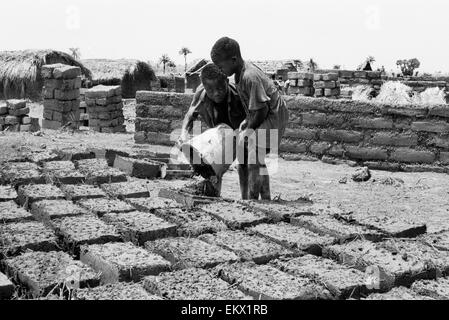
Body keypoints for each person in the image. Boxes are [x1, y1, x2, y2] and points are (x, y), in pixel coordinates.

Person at [211, 36, 289, 200]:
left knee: (253, 155)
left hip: (273, 115)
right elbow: (253, 107)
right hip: (266, 112)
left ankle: (253, 201)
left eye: (221, 66)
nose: (220, 70)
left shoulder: (249, 76)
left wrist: (248, 130)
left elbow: (262, 110)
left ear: (233, 59)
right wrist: (247, 122)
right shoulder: (239, 75)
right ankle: (260, 198)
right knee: (250, 156)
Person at [177, 62, 247, 195]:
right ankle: (213, 196)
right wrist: (183, 134)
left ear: (226, 81)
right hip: (217, 131)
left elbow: (251, 119)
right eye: (211, 90)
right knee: (211, 164)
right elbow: (190, 115)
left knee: (243, 164)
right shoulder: (201, 93)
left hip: (239, 131)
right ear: (204, 86)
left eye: (220, 89)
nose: (216, 94)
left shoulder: (239, 96)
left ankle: (246, 200)